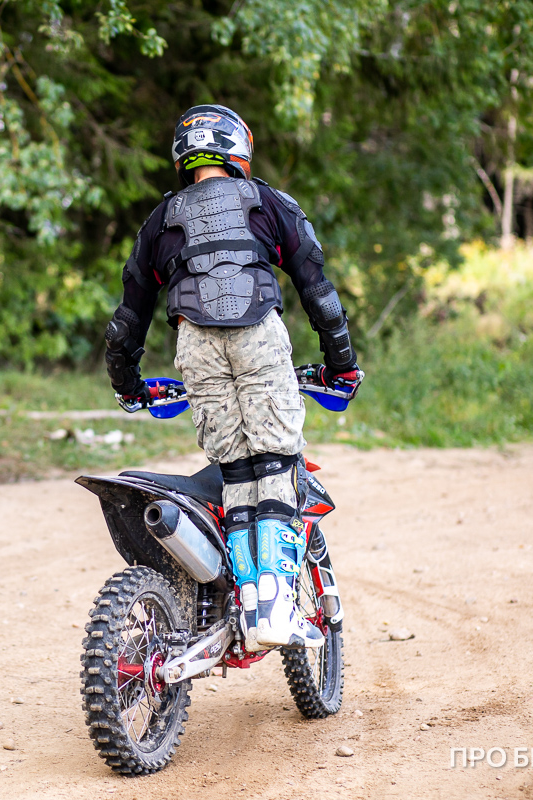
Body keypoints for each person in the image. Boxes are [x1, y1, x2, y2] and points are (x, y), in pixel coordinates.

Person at [103, 105, 361, 651]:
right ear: (237, 147)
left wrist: (128, 384)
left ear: (184, 152)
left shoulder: (160, 221)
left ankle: (247, 604)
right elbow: (318, 290)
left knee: (236, 471)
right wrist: (341, 363)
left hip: (194, 345)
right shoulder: (269, 203)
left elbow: (128, 317)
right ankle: (274, 608)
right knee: (275, 461)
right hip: (257, 334)